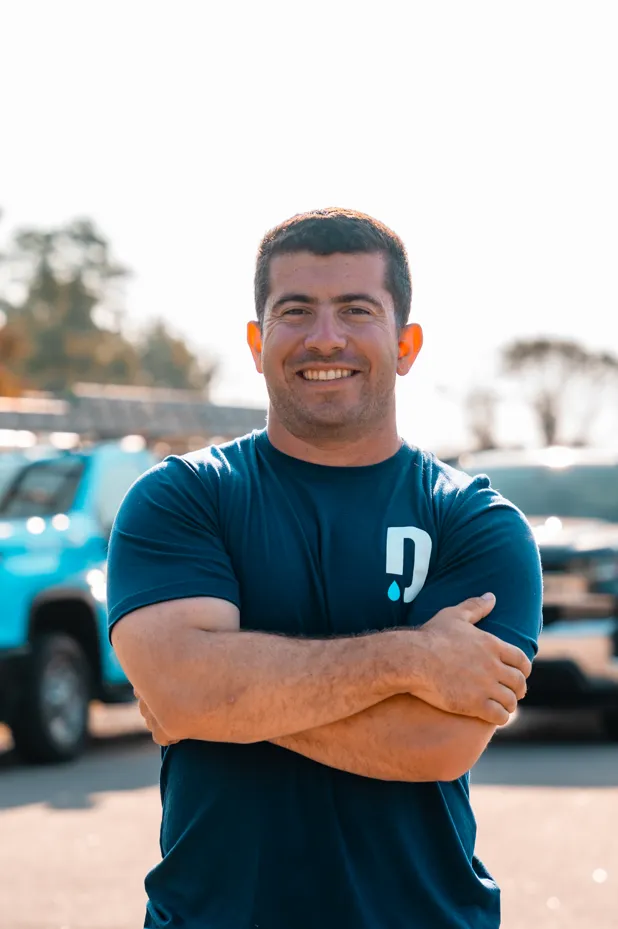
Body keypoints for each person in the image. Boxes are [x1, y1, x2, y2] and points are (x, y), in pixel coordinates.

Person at [107, 207, 542, 929]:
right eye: (296, 310)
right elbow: (183, 690)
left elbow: (435, 743)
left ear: (406, 345)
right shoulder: (183, 497)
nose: (325, 337)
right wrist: (410, 656)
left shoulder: (475, 522)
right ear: (256, 341)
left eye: (356, 310)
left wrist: (219, 699)